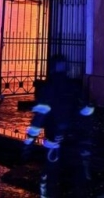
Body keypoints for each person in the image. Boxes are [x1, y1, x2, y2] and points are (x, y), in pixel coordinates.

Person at [24, 54, 94, 197]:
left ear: (51, 68)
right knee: (78, 181)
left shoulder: (47, 89)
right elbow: (86, 112)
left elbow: (39, 118)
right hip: (74, 142)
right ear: (66, 68)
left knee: (50, 181)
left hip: (54, 143)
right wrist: (86, 140)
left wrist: (29, 143)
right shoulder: (75, 87)